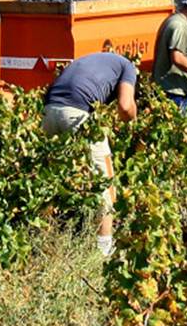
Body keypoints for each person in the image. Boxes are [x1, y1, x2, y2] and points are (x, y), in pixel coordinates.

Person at [42, 48, 139, 255]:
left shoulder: (93, 60)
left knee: (53, 179)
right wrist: (133, 120)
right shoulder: (127, 67)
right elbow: (124, 106)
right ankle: (104, 249)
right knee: (104, 181)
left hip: (49, 111)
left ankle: (48, 240)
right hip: (77, 113)